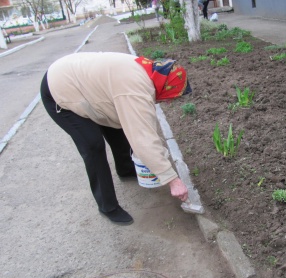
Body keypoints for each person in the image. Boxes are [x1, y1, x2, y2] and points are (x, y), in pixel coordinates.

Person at [40, 53, 192, 225]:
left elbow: (146, 125)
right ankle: (108, 207)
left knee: (119, 126)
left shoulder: (147, 71)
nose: (168, 103)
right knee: (93, 145)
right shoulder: (134, 91)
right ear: (167, 87)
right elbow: (143, 138)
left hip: (84, 84)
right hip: (59, 91)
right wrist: (173, 180)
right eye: (172, 97)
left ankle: (126, 169)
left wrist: (158, 156)